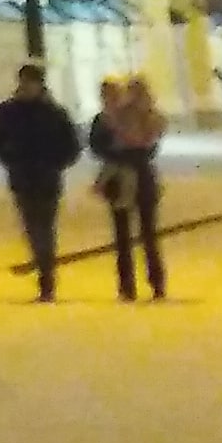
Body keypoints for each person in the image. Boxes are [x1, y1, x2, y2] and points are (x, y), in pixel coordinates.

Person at [0, 61, 83, 300]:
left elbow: (72, 146)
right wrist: (11, 158)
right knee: (32, 227)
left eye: (31, 82)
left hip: (47, 179)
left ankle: (46, 278)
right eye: (24, 81)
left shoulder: (54, 113)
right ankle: (44, 270)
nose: (27, 86)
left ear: (40, 84)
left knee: (44, 228)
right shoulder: (8, 111)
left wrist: (55, 162)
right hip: (23, 178)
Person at [87, 73, 168, 302]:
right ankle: (143, 283)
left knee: (138, 234)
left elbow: (148, 148)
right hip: (132, 178)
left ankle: (139, 284)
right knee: (138, 234)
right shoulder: (114, 118)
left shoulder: (143, 118)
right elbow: (99, 146)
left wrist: (122, 150)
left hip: (134, 178)